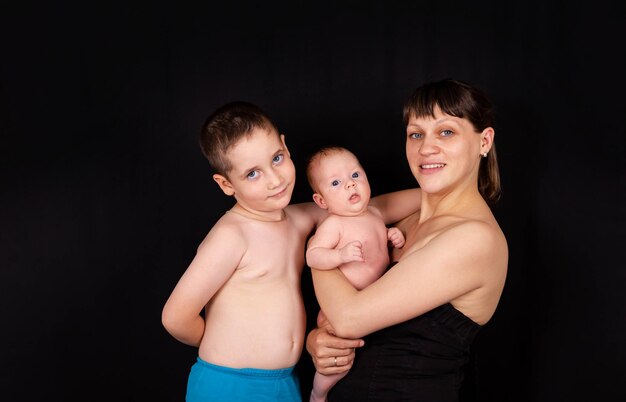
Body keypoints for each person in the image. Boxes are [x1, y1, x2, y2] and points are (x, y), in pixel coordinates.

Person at [161, 101, 422, 401]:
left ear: (285, 145)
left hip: (284, 382)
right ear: (225, 184)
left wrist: (436, 195)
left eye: (276, 158)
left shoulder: (299, 219)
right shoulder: (232, 235)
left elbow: (372, 208)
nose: (275, 179)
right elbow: (175, 317)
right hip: (230, 382)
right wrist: (220, 348)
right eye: (252, 174)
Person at [306, 79, 509, 402]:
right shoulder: (403, 219)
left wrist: (319, 250)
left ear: (484, 141)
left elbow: (349, 318)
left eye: (446, 132)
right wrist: (318, 341)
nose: (426, 148)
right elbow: (302, 216)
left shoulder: (475, 238)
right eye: (416, 134)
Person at [304, 147, 406, 402]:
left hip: (370, 304)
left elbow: (379, 243)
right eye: (336, 183)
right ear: (322, 201)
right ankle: (319, 393)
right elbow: (312, 256)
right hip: (339, 309)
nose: (350, 185)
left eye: (355, 175)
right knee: (339, 359)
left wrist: (393, 236)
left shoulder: (374, 214)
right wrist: (339, 256)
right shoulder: (333, 225)